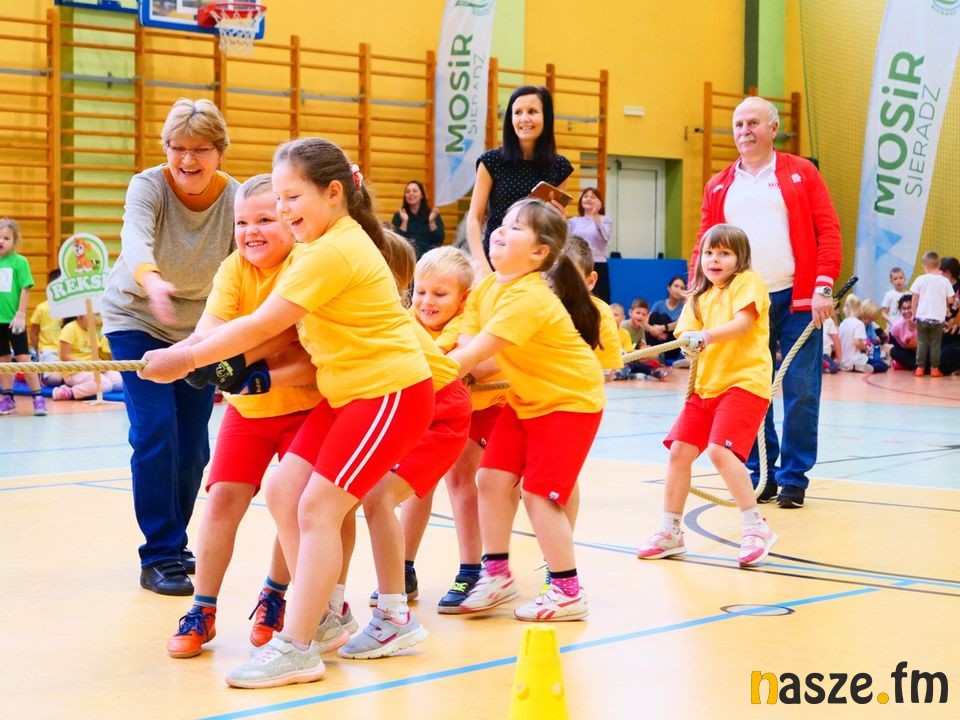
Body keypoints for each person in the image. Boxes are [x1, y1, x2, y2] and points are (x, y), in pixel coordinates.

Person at [139, 137, 435, 689]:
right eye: (278, 199)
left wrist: (184, 359)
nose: (283, 209)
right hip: (348, 395)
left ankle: (299, 646)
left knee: (319, 508)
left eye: (292, 197)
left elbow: (262, 325)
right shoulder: (316, 246)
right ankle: (326, 616)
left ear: (333, 192)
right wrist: (197, 356)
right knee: (283, 490)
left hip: (387, 394)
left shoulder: (330, 252)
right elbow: (254, 331)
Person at [163, 174, 324, 660]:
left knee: (291, 503)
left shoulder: (307, 266)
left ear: (291, 221)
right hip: (249, 412)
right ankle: (203, 610)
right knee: (221, 500)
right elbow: (210, 327)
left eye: (265, 220)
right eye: (241, 222)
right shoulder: (233, 268)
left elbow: (292, 337)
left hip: (306, 408)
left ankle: (275, 594)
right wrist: (182, 355)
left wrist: (233, 360)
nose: (251, 231)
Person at [101, 98, 238, 594]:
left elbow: (246, 264)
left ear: (219, 152)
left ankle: (175, 543)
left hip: (201, 330)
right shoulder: (149, 186)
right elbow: (135, 237)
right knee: (155, 432)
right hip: (137, 317)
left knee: (193, 446)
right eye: (176, 148)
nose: (186, 159)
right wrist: (152, 279)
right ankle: (158, 555)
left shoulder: (236, 198)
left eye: (199, 149)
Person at [449, 198, 605, 622]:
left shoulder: (529, 298)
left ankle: (567, 591)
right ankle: (497, 575)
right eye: (502, 222)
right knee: (491, 479)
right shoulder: (487, 288)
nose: (501, 230)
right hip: (527, 401)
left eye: (516, 227)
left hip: (569, 402)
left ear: (539, 252)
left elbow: (470, 356)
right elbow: (466, 345)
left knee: (538, 494)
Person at [696, 96, 842, 509]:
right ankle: (762, 473)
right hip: (744, 305)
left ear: (773, 128)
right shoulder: (719, 185)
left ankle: (794, 477)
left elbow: (828, 230)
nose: (745, 131)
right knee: (750, 390)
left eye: (754, 123)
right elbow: (704, 244)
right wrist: (698, 295)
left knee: (801, 390)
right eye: (739, 124)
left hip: (799, 300)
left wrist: (823, 285)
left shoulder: (802, 173)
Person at [637, 224, 776, 566]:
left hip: (744, 382)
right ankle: (670, 531)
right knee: (679, 452)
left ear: (740, 258)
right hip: (706, 386)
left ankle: (755, 527)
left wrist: (706, 337)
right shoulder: (698, 296)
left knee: (719, 451)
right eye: (709, 253)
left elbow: (743, 324)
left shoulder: (748, 282)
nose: (715, 260)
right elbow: (687, 335)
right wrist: (691, 342)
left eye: (724, 253)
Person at [374, 245, 487, 614]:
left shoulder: (470, 325)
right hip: (423, 413)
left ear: (463, 298)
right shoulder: (407, 321)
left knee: (461, 482)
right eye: (421, 291)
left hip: (474, 411)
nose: (427, 301)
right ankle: (404, 567)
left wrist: (467, 369)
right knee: (415, 486)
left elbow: (491, 363)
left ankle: (471, 570)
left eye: (440, 294)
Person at [466, 85, 573, 277]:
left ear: (546, 117)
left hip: (536, 265)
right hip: (495, 260)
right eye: (517, 112)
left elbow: (551, 226)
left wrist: (560, 218)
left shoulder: (560, 167)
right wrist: (480, 264)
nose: (524, 119)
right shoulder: (491, 161)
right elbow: (474, 217)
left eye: (532, 111)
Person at [0, 217, 47, 416]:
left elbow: (25, 289)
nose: (1, 241)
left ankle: (38, 397)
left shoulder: (19, 262)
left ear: (15, 241)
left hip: (14, 321)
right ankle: (8, 397)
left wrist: (20, 314)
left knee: (23, 358)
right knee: (3, 359)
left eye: (6, 238)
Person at [51, 314, 123, 399]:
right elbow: (64, 356)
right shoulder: (70, 328)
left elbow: (94, 356)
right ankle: (69, 392)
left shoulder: (91, 331)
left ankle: (89, 386)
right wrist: (89, 365)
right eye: (92, 315)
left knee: (122, 381)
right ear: (79, 316)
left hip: (92, 368)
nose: (95, 319)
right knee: (105, 384)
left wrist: (102, 365)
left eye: (95, 315)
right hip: (74, 371)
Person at [909, 251, 955, 377]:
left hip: (922, 318)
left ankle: (920, 368)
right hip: (938, 319)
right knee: (935, 344)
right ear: (939, 265)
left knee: (922, 343)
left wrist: (914, 313)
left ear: (925, 265)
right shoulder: (945, 281)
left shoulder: (920, 279)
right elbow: (951, 300)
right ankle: (934, 368)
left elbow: (914, 298)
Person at [567, 187, 613, 301]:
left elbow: (606, 238)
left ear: (600, 202)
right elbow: (568, 243)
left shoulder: (605, 220)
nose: (588, 199)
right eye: (585, 196)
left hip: (598, 264)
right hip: (577, 263)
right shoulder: (573, 221)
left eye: (593, 197)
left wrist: (595, 215)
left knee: (600, 298)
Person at [391, 180, 445, 258]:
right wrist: (404, 222)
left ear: (422, 195)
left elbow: (439, 241)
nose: (411, 193)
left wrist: (431, 222)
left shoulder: (432, 214)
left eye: (415, 191)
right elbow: (395, 242)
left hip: (428, 258)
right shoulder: (399, 215)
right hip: (407, 257)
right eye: (408, 192)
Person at [29, 269, 64, 387]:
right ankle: (42, 373)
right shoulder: (42, 308)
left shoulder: (70, 309)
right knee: (55, 379)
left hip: (69, 352)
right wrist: (39, 351)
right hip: (49, 351)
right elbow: (33, 333)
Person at [646, 276, 687, 364]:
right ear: (669, 288)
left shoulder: (685, 307)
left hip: (672, 343)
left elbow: (679, 324)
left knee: (664, 317)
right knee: (654, 315)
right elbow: (646, 322)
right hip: (656, 340)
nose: (678, 290)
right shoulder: (658, 305)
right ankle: (655, 354)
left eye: (682, 288)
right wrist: (654, 331)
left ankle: (660, 356)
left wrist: (662, 328)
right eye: (676, 286)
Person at [837, 294, 878, 374]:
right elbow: (857, 343)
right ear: (860, 310)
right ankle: (858, 366)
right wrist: (866, 348)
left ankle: (855, 366)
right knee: (882, 365)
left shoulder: (842, 323)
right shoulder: (859, 324)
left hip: (843, 361)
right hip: (854, 359)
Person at [888, 294, 917, 371]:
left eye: (909, 308)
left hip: (923, 351)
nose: (906, 311)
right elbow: (900, 346)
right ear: (900, 309)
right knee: (893, 351)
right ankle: (918, 366)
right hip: (909, 353)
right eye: (904, 308)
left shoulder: (922, 321)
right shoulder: (896, 327)